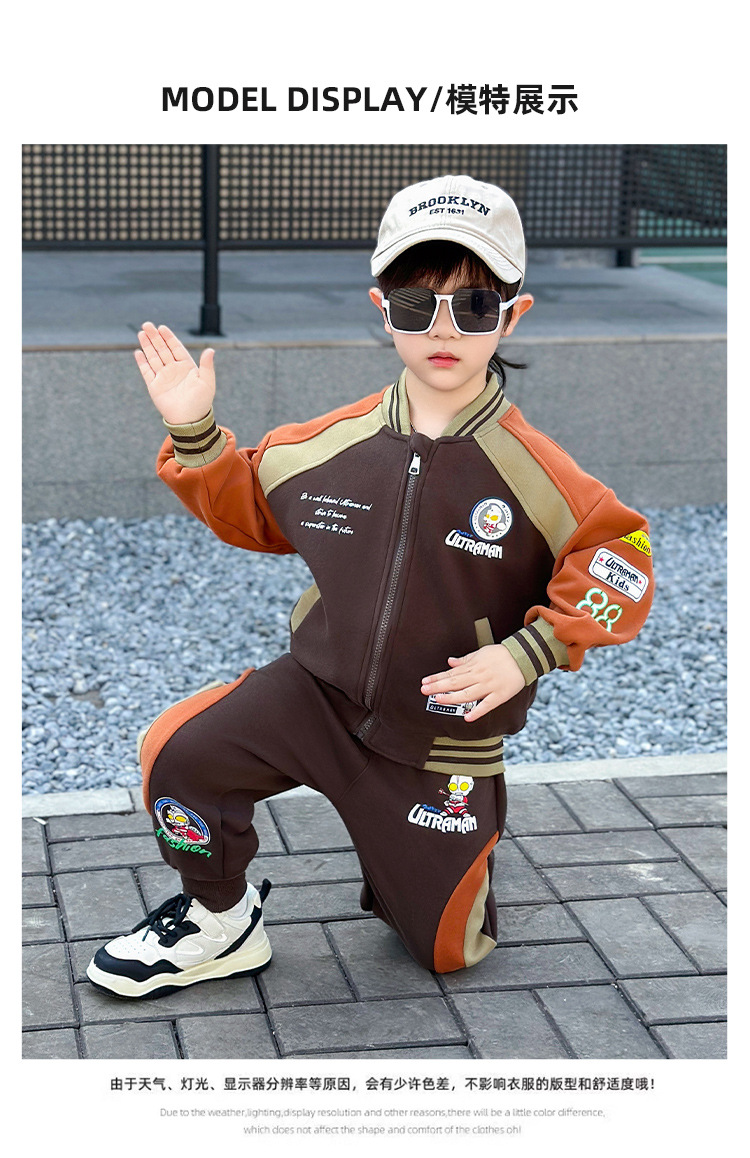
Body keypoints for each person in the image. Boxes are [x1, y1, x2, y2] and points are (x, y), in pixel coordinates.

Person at [86, 174, 654, 999]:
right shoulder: (324, 443)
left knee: (447, 952)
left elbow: (621, 558)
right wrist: (193, 428)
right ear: (384, 311)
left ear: (513, 315)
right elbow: (248, 509)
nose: (444, 329)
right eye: (417, 305)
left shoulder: (542, 474)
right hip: (315, 698)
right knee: (177, 753)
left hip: (439, 740)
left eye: (475, 305)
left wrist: (529, 654)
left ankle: (434, 857)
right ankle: (219, 918)